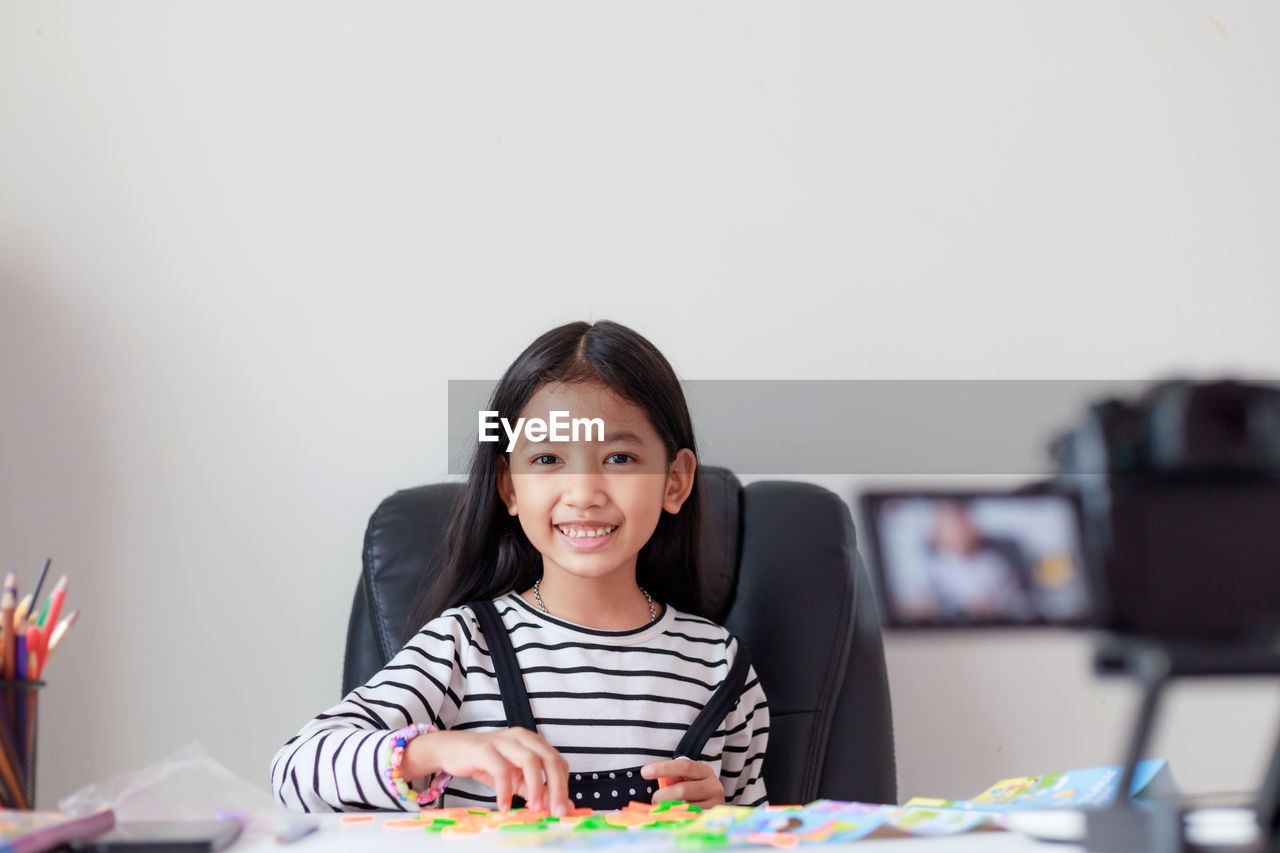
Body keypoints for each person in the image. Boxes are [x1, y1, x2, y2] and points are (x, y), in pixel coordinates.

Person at [270, 320, 770, 815]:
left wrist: (724, 818)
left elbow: (772, 831)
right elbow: (294, 771)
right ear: (508, 487)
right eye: (549, 459)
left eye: (619, 458)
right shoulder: (463, 646)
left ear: (675, 482)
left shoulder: (719, 665)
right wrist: (437, 751)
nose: (583, 493)